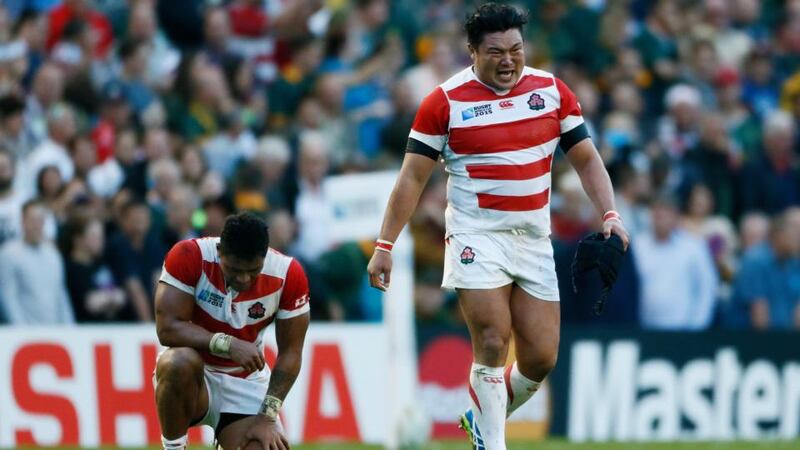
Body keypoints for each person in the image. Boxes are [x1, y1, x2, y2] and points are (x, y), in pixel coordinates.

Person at [366, 4, 629, 449]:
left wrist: (610, 214)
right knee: (491, 338)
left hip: (532, 238)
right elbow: (412, 177)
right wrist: (385, 243)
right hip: (476, 236)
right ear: (472, 52)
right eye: (495, 52)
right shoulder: (444, 103)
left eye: (516, 49)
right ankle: (492, 443)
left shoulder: (551, 91)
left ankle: (481, 418)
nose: (508, 60)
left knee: (541, 358)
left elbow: (585, 158)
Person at [154, 212, 310, 450]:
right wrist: (226, 344)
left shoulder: (288, 274)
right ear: (219, 252)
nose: (244, 278)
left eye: (253, 270)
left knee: (265, 446)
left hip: (244, 381)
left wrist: (268, 416)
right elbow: (167, 329)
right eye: (234, 269)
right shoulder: (189, 255)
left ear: (264, 257)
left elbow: (291, 352)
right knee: (176, 362)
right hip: (195, 374)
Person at [0, 199, 74, 324]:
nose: (37, 225)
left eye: (41, 220)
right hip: (25, 333)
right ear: (22, 222)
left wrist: (70, 328)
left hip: (55, 330)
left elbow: (60, 294)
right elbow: (8, 297)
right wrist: (21, 331)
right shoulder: (8, 254)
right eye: (33, 221)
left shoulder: (53, 255)